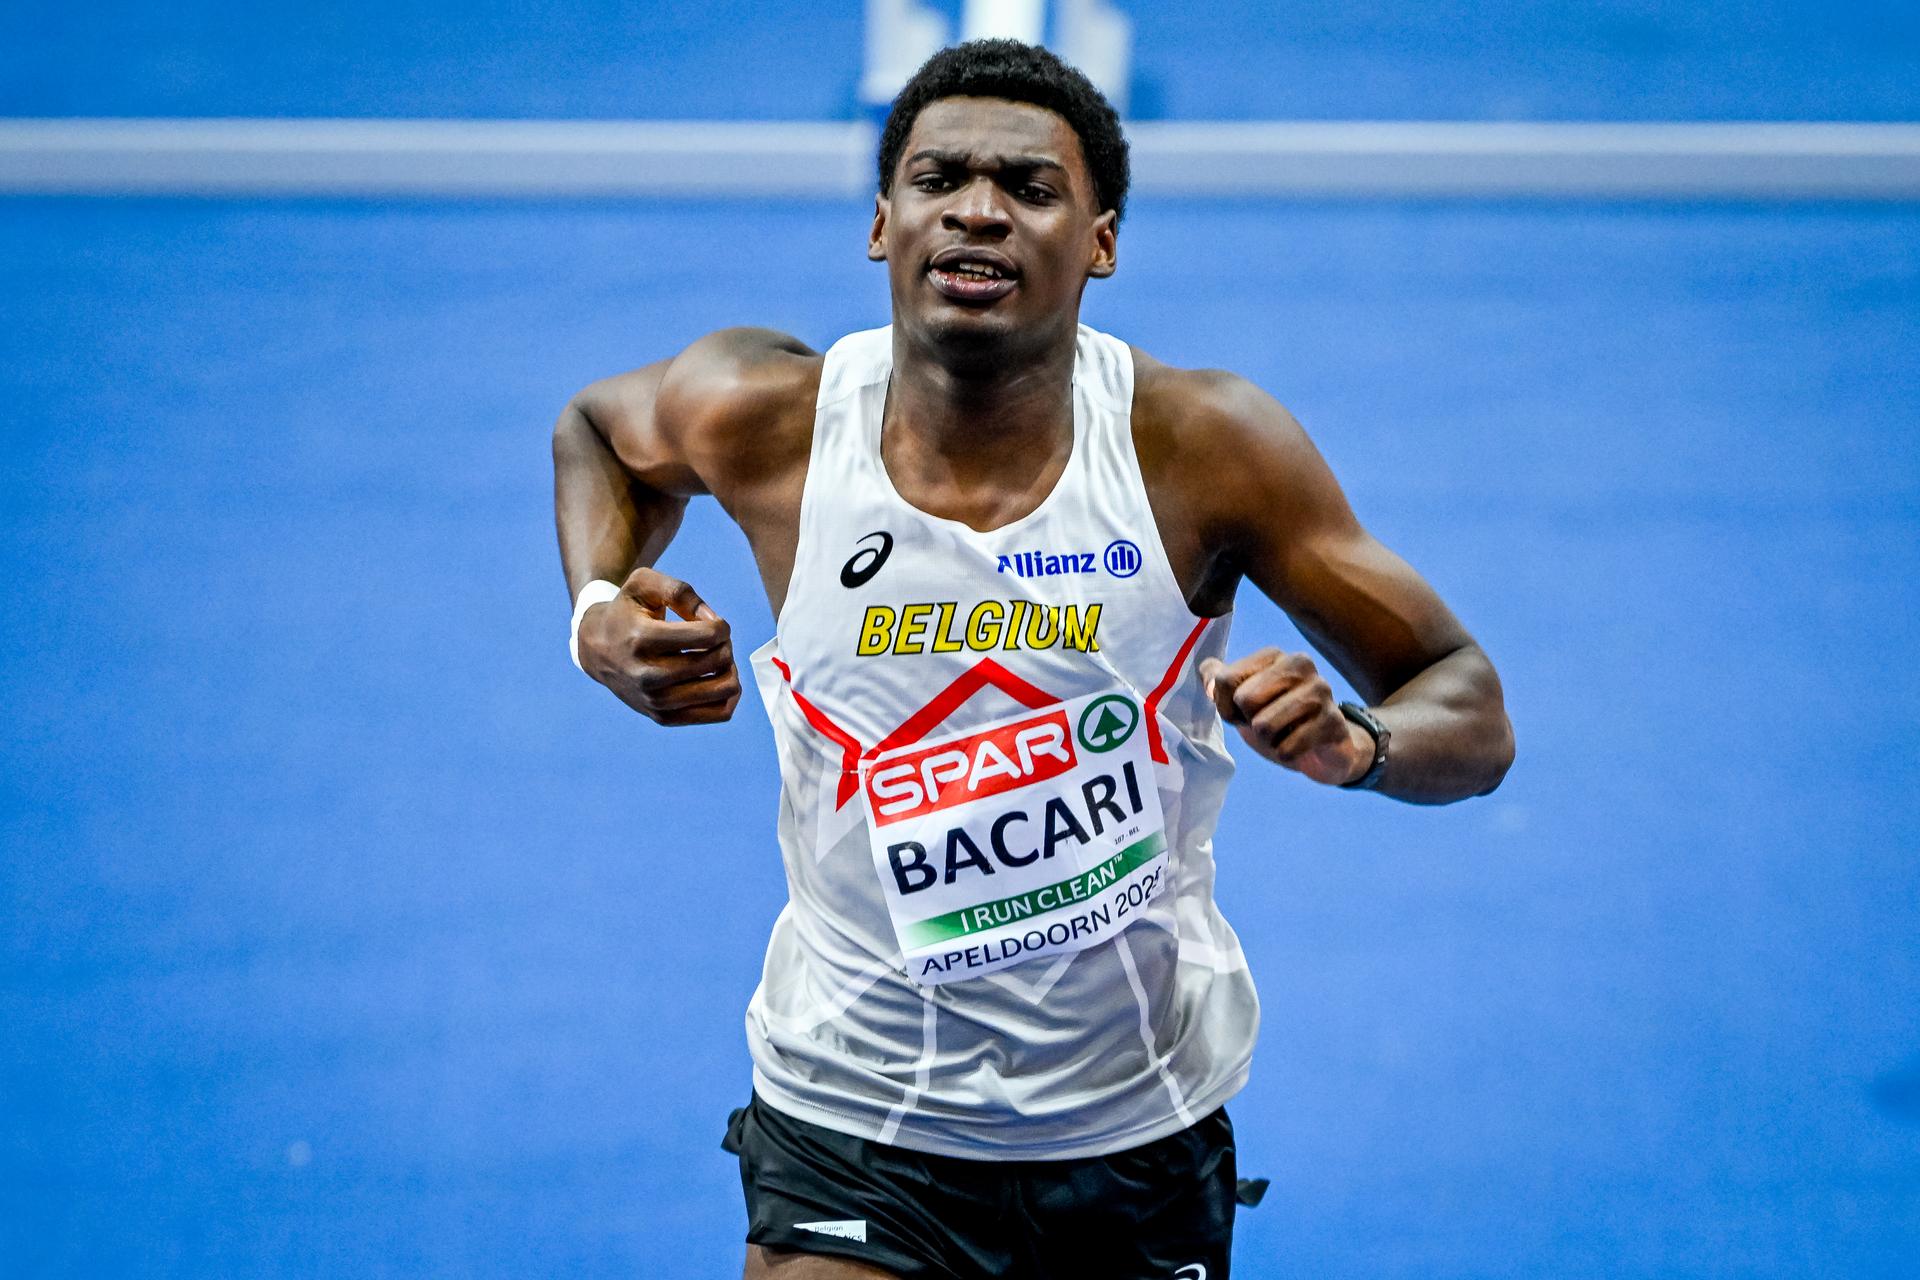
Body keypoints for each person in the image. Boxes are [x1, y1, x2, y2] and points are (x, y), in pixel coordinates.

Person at [551, 38, 1513, 1280]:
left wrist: (1356, 742)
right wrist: (596, 612)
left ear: (1100, 241)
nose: (979, 210)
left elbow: (1470, 704)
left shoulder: (1200, 449)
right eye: (939, 177)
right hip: (853, 1108)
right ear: (881, 221)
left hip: (1131, 1124)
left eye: (1030, 188)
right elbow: (599, 434)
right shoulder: (766, 417)